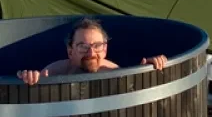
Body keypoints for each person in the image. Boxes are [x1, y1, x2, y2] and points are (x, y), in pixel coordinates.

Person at [17, 18, 167, 85]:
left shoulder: (113, 72)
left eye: (97, 46)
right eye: (83, 46)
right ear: (70, 51)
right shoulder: (55, 72)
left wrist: (148, 69)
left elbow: (137, 91)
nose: (91, 53)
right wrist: (27, 77)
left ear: (105, 49)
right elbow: (30, 91)